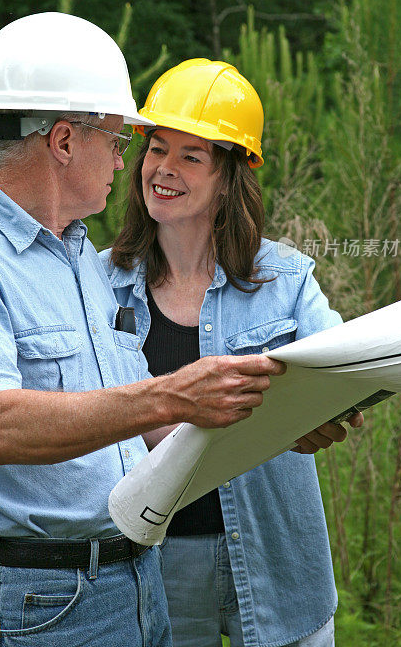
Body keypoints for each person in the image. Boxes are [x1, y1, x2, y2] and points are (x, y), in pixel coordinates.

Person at [0, 18, 283, 647]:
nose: (124, 159)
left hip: (135, 583)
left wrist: (271, 419)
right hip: (37, 605)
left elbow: (134, 419)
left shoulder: (79, 255)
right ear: (61, 141)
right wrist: (173, 394)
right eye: (115, 137)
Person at [101, 58, 363, 647]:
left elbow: (344, 371)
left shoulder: (287, 278)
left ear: (229, 177)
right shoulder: (99, 286)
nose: (163, 170)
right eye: (157, 149)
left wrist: (322, 413)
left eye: (191, 157)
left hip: (278, 560)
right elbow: (86, 410)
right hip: (157, 563)